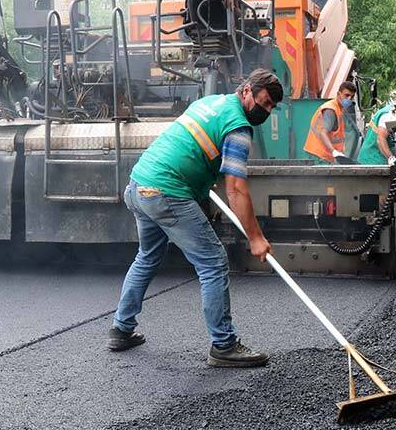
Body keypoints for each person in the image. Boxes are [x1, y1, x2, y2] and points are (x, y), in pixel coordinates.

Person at [108, 69, 284, 368]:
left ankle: (121, 329)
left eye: (271, 107)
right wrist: (256, 237)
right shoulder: (238, 127)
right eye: (264, 102)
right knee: (213, 262)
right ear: (247, 91)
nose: (265, 111)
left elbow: (194, 153)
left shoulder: (210, 102)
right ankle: (224, 346)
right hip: (166, 191)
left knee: (147, 256)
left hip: (139, 185)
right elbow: (236, 189)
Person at [303, 81, 359, 164]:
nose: (349, 99)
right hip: (319, 156)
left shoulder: (339, 109)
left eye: (352, 97)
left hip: (323, 156)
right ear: (338, 94)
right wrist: (334, 151)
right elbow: (323, 133)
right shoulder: (331, 110)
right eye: (346, 95)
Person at [357, 90, 396, 166]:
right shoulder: (388, 114)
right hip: (373, 159)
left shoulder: (392, 111)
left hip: (375, 158)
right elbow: (381, 139)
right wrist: (390, 157)